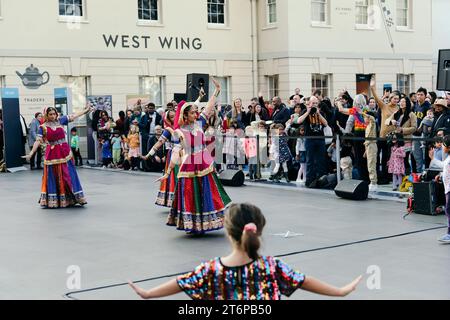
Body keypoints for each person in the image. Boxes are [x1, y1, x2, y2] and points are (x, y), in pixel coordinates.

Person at [129, 203, 362, 300]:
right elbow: (304, 280)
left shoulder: (211, 270)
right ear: (259, 231)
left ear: (228, 232)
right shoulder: (271, 267)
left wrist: (148, 293)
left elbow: (181, 282)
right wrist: (340, 291)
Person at [159, 78, 232, 234]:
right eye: (192, 112)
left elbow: (210, 107)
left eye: (196, 112)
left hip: (203, 162)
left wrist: (217, 90)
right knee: (190, 195)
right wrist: (167, 173)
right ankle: (191, 224)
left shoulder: (199, 122)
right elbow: (176, 152)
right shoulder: (180, 131)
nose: (196, 114)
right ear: (185, 115)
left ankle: (204, 223)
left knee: (206, 192)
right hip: (189, 164)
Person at [23, 105, 92, 208]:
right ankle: (56, 200)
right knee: (54, 175)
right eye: (50, 114)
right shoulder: (43, 127)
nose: (52, 116)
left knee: (68, 174)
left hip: (64, 152)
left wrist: (85, 111)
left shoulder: (60, 121)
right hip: (52, 154)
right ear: (46, 115)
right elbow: (38, 140)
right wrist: (31, 153)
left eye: (54, 114)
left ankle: (73, 197)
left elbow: (74, 115)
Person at [142, 109, 178, 207]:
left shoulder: (184, 126)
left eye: (175, 115)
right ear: (168, 120)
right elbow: (159, 143)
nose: (174, 118)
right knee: (173, 177)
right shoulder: (168, 130)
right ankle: (174, 201)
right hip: (174, 156)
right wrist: (149, 155)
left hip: (185, 155)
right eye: (171, 117)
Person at [370, 76, 400, 184]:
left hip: (393, 136)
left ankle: (387, 177)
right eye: (394, 98)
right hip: (382, 135)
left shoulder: (398, 109)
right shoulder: (384, 106)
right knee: (378, 156)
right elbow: (376, 98)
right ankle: (378, 176)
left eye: (397, 99)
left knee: (388, 158)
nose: (396, 100)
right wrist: (372, 87)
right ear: (390, 98)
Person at [435, 135, 450, 243]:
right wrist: (440, 176)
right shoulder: (448, 158)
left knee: (449, 211)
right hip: (447, 188)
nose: (442, 146)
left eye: (444, 144)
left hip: (449, 189)